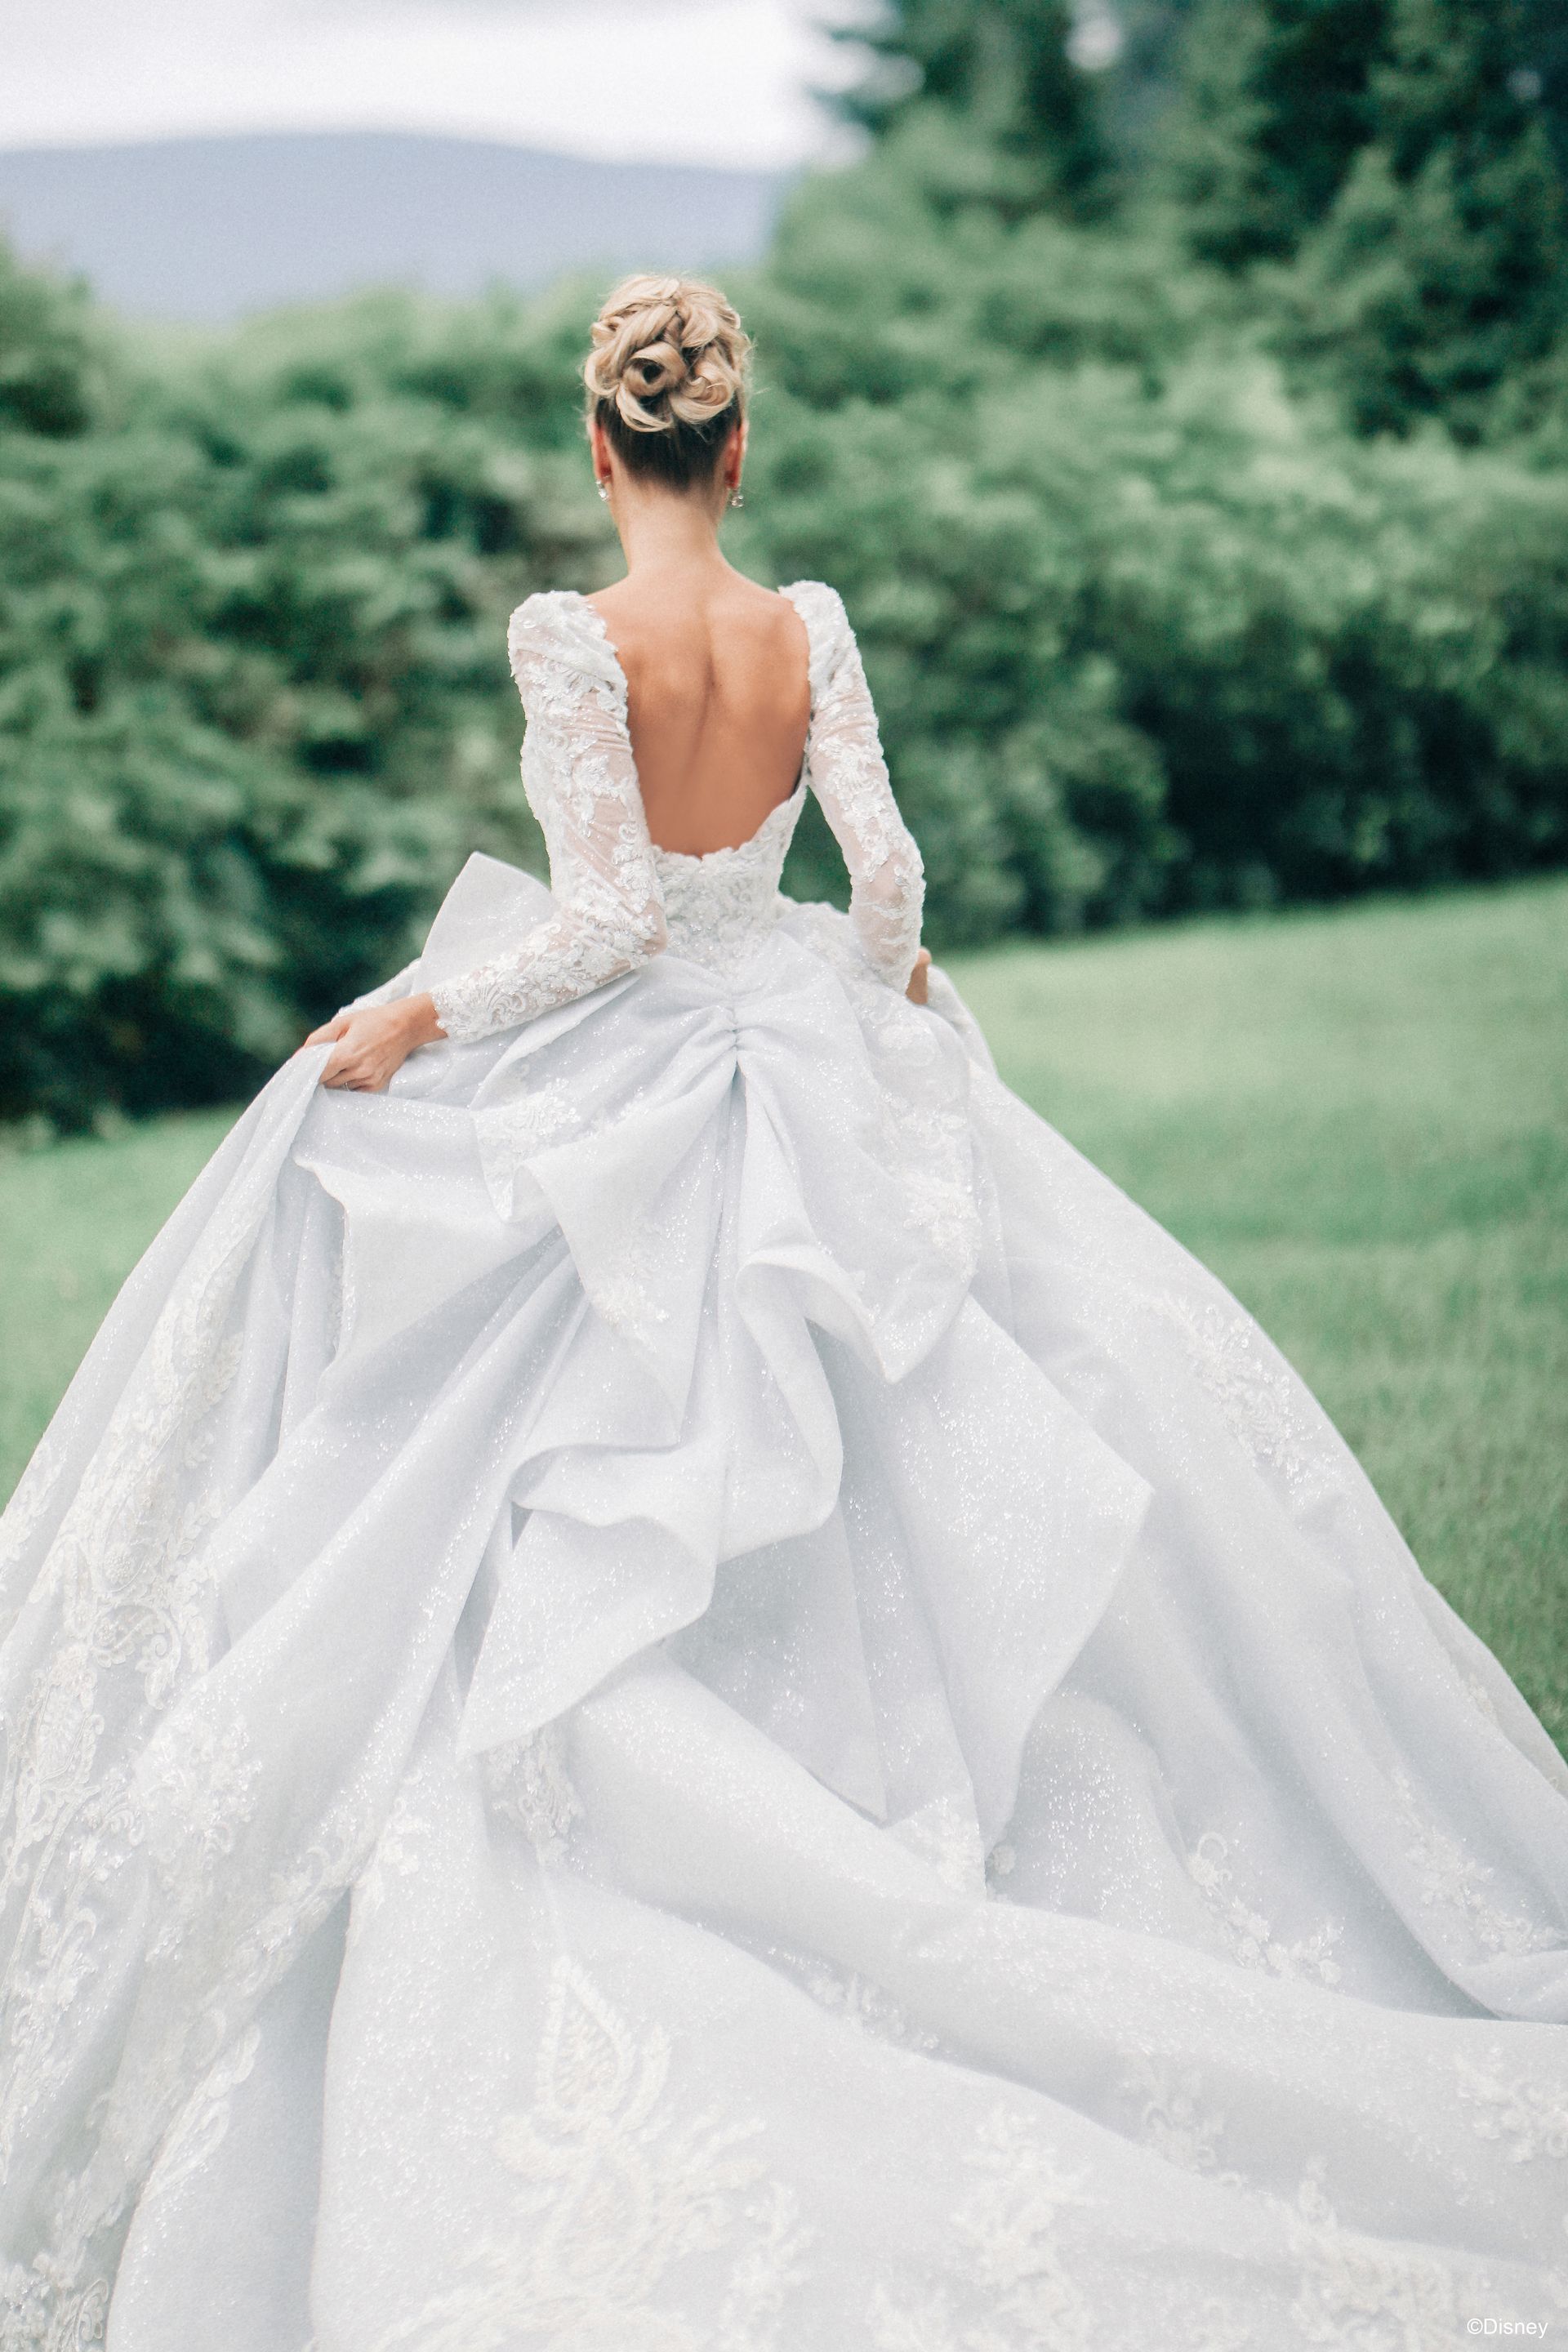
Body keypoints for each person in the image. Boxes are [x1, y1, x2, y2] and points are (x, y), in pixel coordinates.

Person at [1, 274, 1564, 2352]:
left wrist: (418, 1008)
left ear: (599, 447)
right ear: (735, 450)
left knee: (537, 1401)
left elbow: (616, 917)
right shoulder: (801, 620)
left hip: (640, 1059)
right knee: (907, 1435)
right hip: (797, 1029)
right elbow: (888, 883)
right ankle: (901, 1798)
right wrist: (877, 1014)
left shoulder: (571, 637)